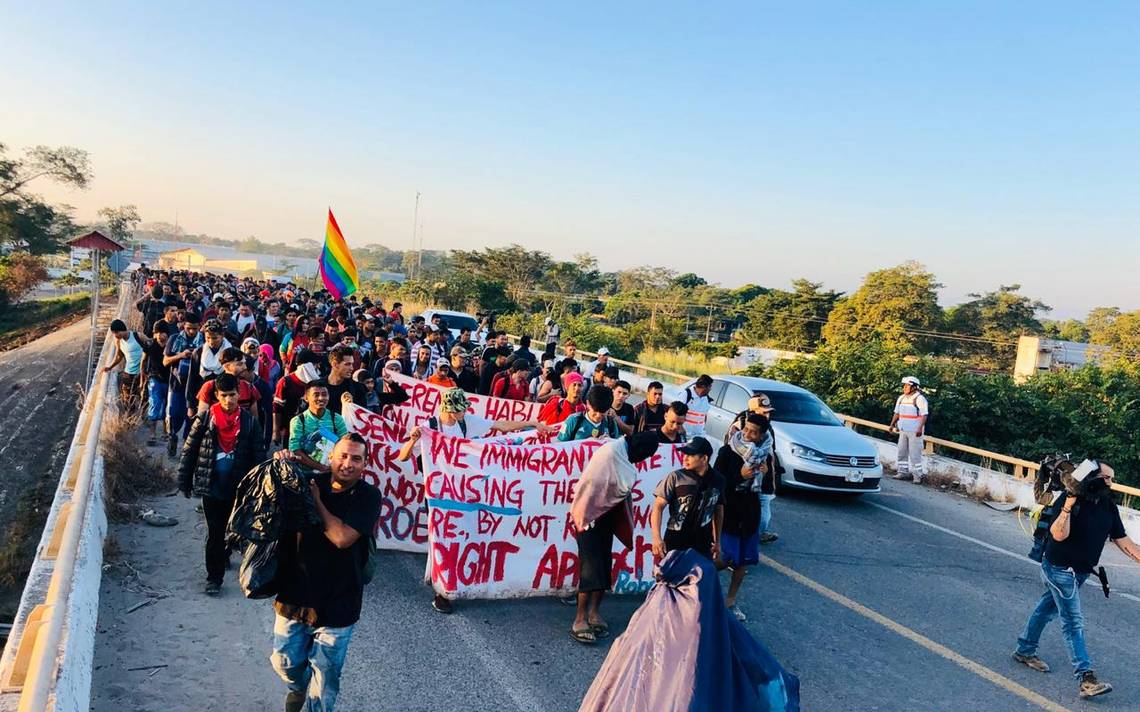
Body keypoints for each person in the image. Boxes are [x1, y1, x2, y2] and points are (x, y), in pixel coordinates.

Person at [397, 387, 554, 614]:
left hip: (462, 492)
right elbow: (402, 456)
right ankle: (442, 591)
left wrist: (531, 423)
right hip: (438, 495)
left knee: (456, 538)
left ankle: (446, 583)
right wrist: (413, 440)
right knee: (442, 539)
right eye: (460, 411)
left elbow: (500, 425)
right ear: (449, 410)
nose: (464, 414)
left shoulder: (466, 422)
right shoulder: (429, 427)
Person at [270, 433, 380, 712]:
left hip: (340, 603)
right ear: (330, 456)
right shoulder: (304, 483)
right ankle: (297, 686)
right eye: (342, 456)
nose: (348, 463)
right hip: (295, 595)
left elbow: (341, 537)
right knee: (284, 662)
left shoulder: (369, 496)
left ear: (365, 464)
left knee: (327, 677)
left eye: (356, 458)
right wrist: (280, 465)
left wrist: (316, 501)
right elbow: (270, 503)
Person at [1013, 461, 1140, 699]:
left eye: (1112, 479)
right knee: (1073, 621)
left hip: (1080, 572)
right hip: (1060, 570)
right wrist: (1069, 503)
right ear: (1091, 477)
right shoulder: (1068, 501)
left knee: (1045, 608)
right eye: (1107, 478)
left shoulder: (1107, 505)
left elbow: (1123, 541)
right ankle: (1086, 678)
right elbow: (1059, 534)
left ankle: (1024, 649)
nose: (1111, 484)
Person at [177, 373, 266, 595]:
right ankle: (214, 578)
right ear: (217, 395)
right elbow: (190, 451)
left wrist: (262, 488)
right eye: (224, 395)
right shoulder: (205, 419)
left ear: (239, 394)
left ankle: (240, 567)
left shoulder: (249, 422)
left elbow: (258, 456)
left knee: (240, 532)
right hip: (212, 487)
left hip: (240, 489)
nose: (229, 400)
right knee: (215, 533)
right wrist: (184, 481)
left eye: (233, 395)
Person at [715, 415, 771, 621]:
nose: (747, 434)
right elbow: (716, 482)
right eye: (746, 429)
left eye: (753, 432)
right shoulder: (728, 450)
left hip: (750, 512)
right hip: (729, 511)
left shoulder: (765, 454)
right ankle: (697, 584)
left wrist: (764, 474)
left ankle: (730, 601)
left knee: (743, 561)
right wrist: (740, 476)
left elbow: (767, 490)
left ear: (761, 436)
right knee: (724, 557)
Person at [650, 437, 724, 561]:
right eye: (684, 454)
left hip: (703, 542)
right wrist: (656, 537)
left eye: (690, 455)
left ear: (704, 458)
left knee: (700, 578)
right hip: (675, 540)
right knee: (671, 578)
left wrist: (717, 541)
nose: (685, 458)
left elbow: (718, 510)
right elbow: (658, 506)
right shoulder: (675, 477)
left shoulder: (718, 480)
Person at [725, 394, 779, 543]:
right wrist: (740, 475)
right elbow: (727, 460)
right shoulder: (737, 429)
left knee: (763, 516)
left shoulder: (768, 432)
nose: (767, 415)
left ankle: (756, 537)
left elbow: (770, 455)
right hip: (739, 487)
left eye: (768, 412)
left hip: (761, 484)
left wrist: (767, 472)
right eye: (763, 412)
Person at [289, 380, 349, 475]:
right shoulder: (298, 421)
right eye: (316, 395)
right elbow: (296, 450)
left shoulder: (337, 419)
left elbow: (345, 444)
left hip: (332, 472)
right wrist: (321, 468)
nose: (321, 398)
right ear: (306, 398)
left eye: (324, 394)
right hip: (306, 473)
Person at [889, 376, 929, 483]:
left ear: (914, 387)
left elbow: (924, 415)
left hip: (915, 431)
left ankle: (918, 476)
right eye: (905, 385)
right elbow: (897, 413)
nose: (905, 387)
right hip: (903, 429)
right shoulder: (901, 398)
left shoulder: (919, 398)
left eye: (907, 385)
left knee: (915, 453)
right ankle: (902, 472)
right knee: (902, 451)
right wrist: (892, 425)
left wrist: (920, 428)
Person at [103, 318, 148, 411]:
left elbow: (151, 346)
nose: (115, 335)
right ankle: (131, 421)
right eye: (114, 333)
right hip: (128, 375)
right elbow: (119, 356)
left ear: (121, 330)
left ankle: (144, 418)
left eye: (116, 332)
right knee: (128, 401)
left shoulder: (138, 336)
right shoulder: (118, 341)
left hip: (142, 373)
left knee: (144, 398)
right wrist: (110, 367)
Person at [140, 321, 171, 446]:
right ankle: (152, 434)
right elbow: (143, 361)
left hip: (169, 380)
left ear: (167, 334)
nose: (159, 335)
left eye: (162, 332)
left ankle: (165, 432)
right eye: (156, 332)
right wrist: (142, 379)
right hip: (154, 378)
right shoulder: (149, 344)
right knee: (154, 403)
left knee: (167, 406)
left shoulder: (172, 345)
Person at [681, 374, 713, 439]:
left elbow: (704, 416)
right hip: (686, 436)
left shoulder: (706, 399)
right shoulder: (686, 394)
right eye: (710, 386)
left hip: (699, 436)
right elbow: (676, 414)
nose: (710, 389)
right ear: (703, 386)